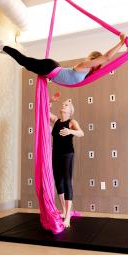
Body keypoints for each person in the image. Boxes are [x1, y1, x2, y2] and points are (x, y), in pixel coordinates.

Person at [0, 33, 126, 85]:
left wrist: (122, 42)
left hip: (52, 69)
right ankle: (3, 46)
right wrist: (122, 42)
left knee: (26, 63)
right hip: (50, 68)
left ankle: (8, 51)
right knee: (23, 61)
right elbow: (107, 57)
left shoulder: (88, 74)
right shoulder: (85, 65)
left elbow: (106, 60)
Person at [50, 93, 84, 227]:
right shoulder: (56, 120)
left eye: (66, 105)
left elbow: (81, 133)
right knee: (58, 182)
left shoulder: (72, 122)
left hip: (67, 154)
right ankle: (64, 211)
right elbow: (44, 110)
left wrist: (71, 132)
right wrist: (50, 100)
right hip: (55, 154)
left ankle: (68, 216)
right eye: (63, 104)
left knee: (67, 181)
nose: (63, 106)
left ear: (70, 111)